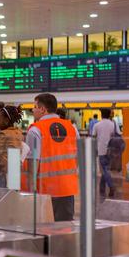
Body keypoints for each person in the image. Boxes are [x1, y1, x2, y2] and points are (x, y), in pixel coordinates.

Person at [23, 93, 80, 221]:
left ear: (43, 109)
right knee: (64, 230)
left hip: (45, 190)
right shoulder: (71, 128)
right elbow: (77, 157)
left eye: (35, 106)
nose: (33, 110)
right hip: (67, 188)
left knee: (44, 231)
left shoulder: (35, 130)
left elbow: (33, 162)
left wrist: (31, 191)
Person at [0, 103, 27, 188]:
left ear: (6, 121)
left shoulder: (4, 134)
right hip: (15, 167)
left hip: (5, 167)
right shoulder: (17, 132)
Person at [92, 108, 120, 198]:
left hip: (101, 150)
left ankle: (111, 186)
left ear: (101, 115)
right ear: (109, 115)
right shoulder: (113, 125)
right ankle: (102, 188)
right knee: (105, 169)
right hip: (111, 150)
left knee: (104, 170)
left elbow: (93, 137)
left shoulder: (97, 125)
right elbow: (118, 135)